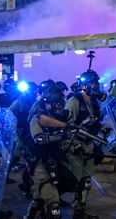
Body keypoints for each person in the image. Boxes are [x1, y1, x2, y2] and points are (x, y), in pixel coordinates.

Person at [24, 87, 71, 218]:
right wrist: (60, 136)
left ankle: (32, 213)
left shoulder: (61, 120)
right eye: (57, 103)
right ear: (48, 104)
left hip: (55, 160)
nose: (60, 106)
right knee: (53, 201)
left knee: (40, 196)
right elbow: (38, 139)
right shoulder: (37, 119)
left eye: (62, 103)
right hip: (38, 161)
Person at [65, 70, 103, 219]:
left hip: (89, 145)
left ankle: (79, 211)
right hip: (76, 147)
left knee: (86, 181)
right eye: (94, 83)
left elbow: (97, 121)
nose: (96, 86)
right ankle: (47, 201)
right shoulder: (74, 102)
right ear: (85, 86)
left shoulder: (93, 102)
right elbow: (65, 126)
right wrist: (74, 145)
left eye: (96, 83)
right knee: (72, 180)